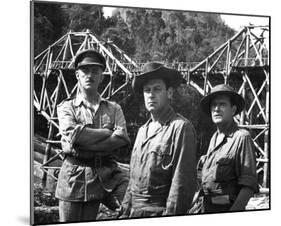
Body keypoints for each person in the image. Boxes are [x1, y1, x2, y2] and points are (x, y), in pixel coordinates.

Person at [55, 49, 130, 222]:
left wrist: (82, 143)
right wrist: (106, 133)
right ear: (77, 75)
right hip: (72, 179)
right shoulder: (66, 107)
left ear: (102, 77)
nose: (90, 75)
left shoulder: (113, 108)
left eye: (95, 71)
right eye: (85, 71)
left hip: (103, 176)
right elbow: (74, 136)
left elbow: (122, 138)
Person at [120, 62, 197, 218]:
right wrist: (124, 212)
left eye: (157, 89)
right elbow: (132, 183)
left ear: (169, 93)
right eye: (147, 90)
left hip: (158, 212)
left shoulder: (180, 128)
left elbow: (181, 185)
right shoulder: (142, 131)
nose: (151, 94)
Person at [196, 84, 258, 213]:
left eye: (222, 104)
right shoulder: (214, 137)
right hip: (205, 209)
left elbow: (248, 187)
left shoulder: (241, 138)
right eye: (214, 105)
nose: (217, 109)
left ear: (233, 110)